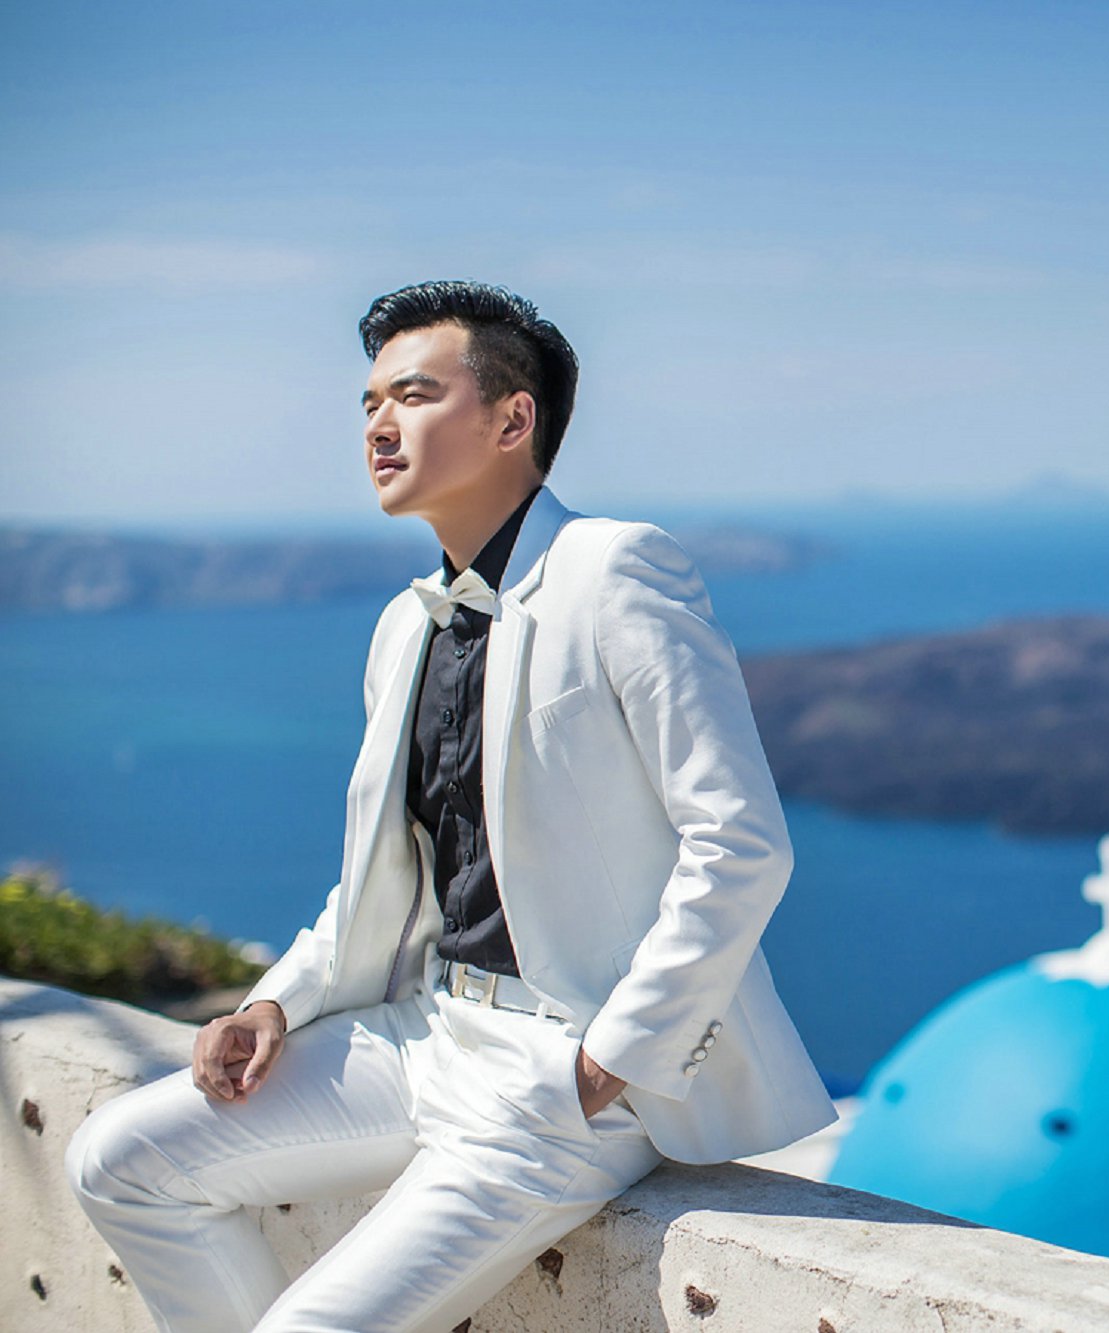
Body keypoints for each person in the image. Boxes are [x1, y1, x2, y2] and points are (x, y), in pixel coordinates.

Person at [64, 279, 838, 1332]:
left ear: (513, 419)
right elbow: (388, 883)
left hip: (555, 1072)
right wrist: (271, 1004)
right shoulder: (405, 626)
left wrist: (610, 1060)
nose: (378, 424)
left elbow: (739, 840)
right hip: (423, 1031)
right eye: (370, 402)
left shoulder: (613, 569)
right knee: (117, 1160)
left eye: (415, 395)